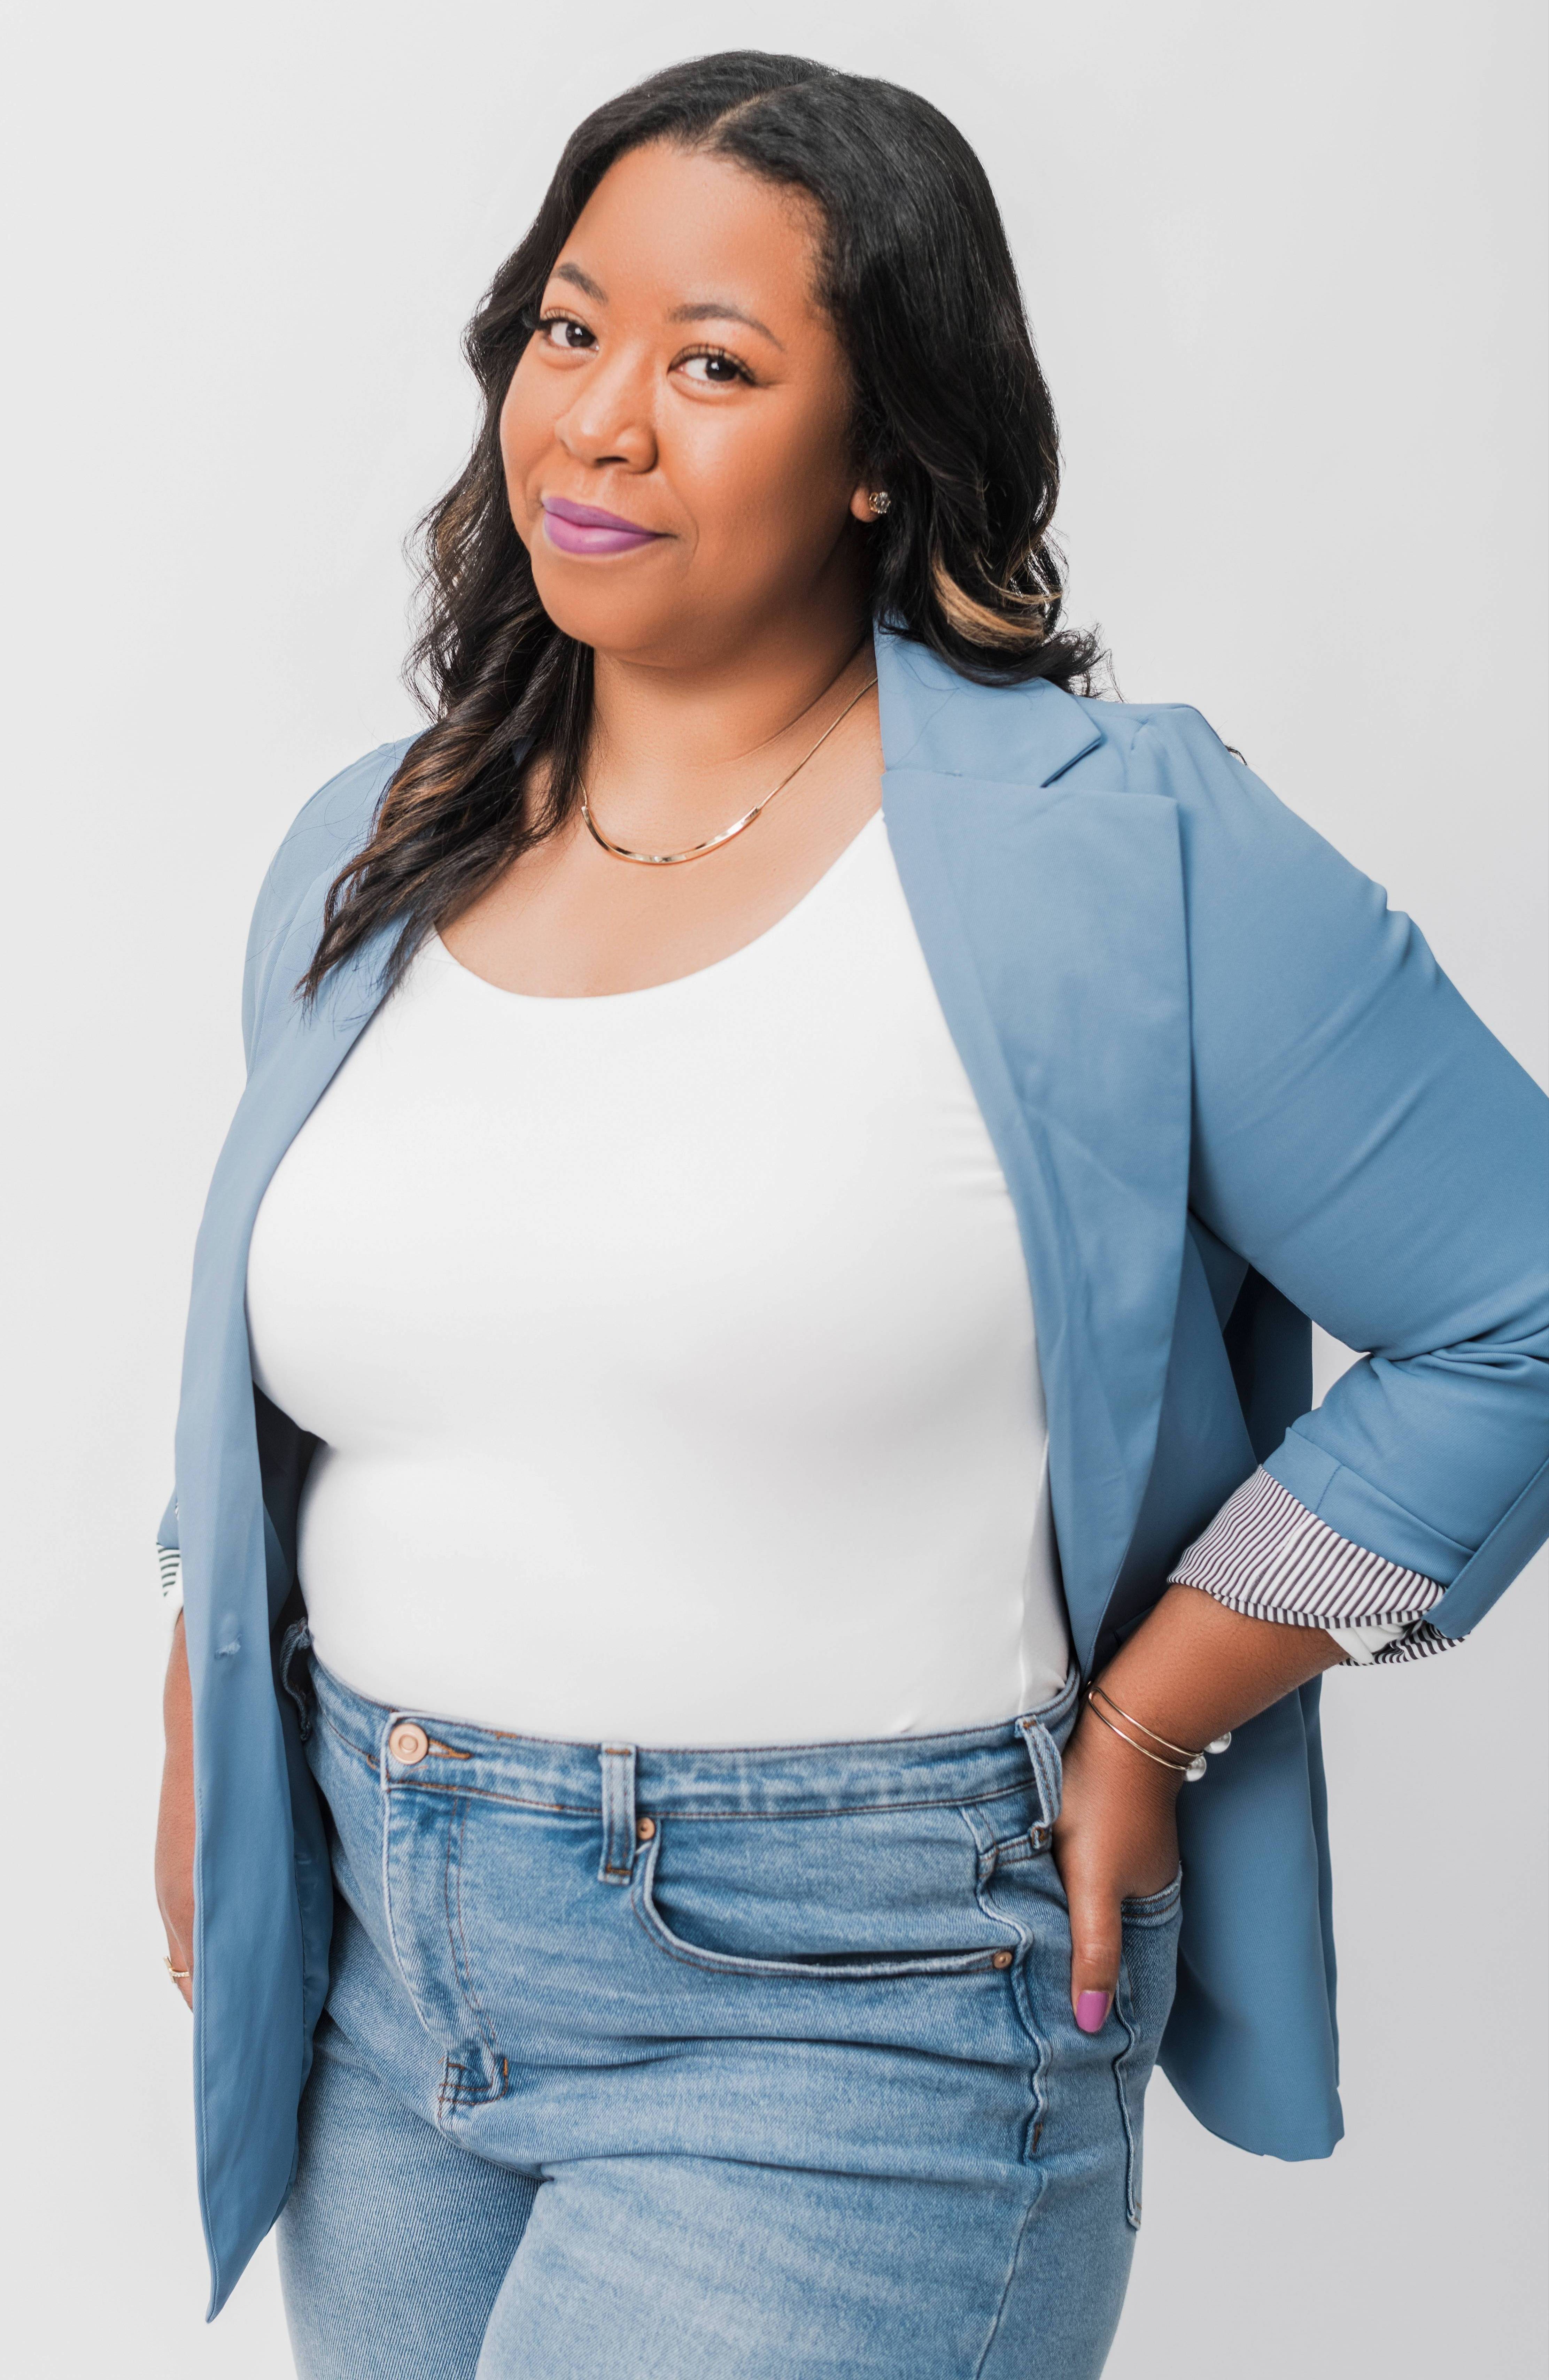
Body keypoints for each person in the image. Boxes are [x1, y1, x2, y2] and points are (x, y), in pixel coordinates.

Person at [153, 49, 1549, 2380]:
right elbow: (298, 1366)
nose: (597, 422)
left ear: (883, 442)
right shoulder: (372, 843)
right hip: (384, 1979)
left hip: (858, 2001)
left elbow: (1520, 1306)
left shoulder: (1130, 848)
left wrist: (1155, 1720)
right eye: (568, 330)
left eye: (715, 365)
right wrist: (205, 1721)